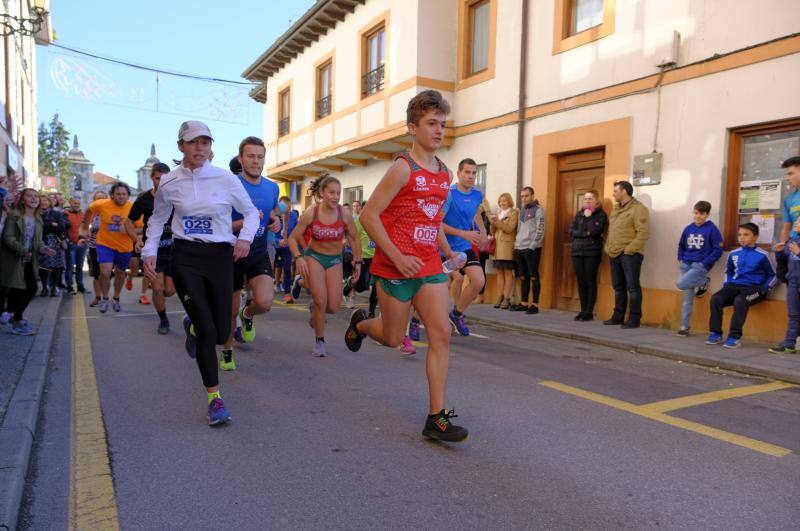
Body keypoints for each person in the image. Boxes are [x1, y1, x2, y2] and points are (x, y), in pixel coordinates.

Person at [343, 90, 468, 443]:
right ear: (412, 128)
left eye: (442, 124)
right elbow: (369, 216)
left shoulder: (444, 174)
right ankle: (362, 325)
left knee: (441, 333)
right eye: (432, 123)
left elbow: (433, 221)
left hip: (428, 266)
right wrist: (397, 257)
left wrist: (448, 256)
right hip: (395, 267)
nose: (440, 130)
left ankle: (436, 417)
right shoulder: (403, 168)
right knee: (394, 337)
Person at [142, 120, 258, 426]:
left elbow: (249, 214)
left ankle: (191, 326)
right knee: (209, 332)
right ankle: (215, 400)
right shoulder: (169, 182)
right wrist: (149, 251)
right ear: (181, 146)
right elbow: (157, 220)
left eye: (205, 143)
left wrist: (245, 238)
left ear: (211, 147)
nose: (199, 148)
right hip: (186, 256)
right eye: (193, 142)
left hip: (220, 256)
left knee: (222, 332)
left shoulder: (225, 179)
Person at [219, 136, 280, 370]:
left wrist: (274, 221)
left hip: (258, 251)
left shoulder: (271, 187)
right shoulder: (228, 184)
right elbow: (218, 223)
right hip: (231, 253)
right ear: (240, 158)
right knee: (229, 309)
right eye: (251, 156)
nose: (256, 161)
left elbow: (272, 211)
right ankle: (226, 350)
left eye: (260, 157)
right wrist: (246, 222)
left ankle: (248, 314)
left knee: (264, 302)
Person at [288, 173, 361, 357]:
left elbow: (354, 237)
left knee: (333, 307)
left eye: (338, 193)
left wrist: (357, 261)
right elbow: (292, 237)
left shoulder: (343, 214)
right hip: (315, 258)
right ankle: (319, 340)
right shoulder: (311, 212)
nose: (336, 197)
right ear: (322, 193)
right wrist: (299, 257)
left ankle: (311, 301)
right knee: (321, 300)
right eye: (331, 192)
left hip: (335, 260)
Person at [706, 222, 776, 349]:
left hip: (754, 289)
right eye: (740, 235)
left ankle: (734, 337)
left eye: (746, 235)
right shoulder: (733, 253)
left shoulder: (763, 255)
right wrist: (727, 283)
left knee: (740, 301)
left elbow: (773, 274)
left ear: (755, 237)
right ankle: (715, 333)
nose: (742, 238)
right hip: (734, 286)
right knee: (716, 299)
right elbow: (728, 271)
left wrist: (766, 288)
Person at [125, 162, 175, 334]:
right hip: (154, 252)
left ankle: (162, 302)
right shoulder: (143, 200)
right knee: (158, 288)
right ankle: (163, 320)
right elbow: (128, 222)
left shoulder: (178, 197)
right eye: (158, 178)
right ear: (152, 178)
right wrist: (136, 240)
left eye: (165, 179)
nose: (162, 183)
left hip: (174, 251)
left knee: (169, 291)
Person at [441, 158, 486, 336]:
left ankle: (457, 314)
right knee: (440, 287)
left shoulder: (477, 195)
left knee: (478, 281)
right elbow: (438, 225)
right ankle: (414, 320)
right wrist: (464, 233)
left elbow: (476, 212)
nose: (471, 176)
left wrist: (482, 231)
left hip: (463, 246)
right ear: (459, 174)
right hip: (442, 247)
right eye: (467, 172)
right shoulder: (449, 194)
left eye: (474, 173)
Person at [0, 189, 54, 334]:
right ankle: (17, 322)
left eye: (36, 196)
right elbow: (8, 237)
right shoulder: (14, 216)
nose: (34, 199)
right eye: (29, 196)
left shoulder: (38, 219)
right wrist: (22, 249)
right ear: (23, 200)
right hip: (15, 259)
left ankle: (12, 315)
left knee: (31, 288)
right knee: (19, 289)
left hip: (30, 259)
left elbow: (37, 241)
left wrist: (45, 249)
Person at [81, 182, 136, 313]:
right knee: (105, 272)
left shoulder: (133, 208)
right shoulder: (102, 204)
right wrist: (84, 227)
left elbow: (141, 227)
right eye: (118, 194)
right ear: (112, 195)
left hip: (124, 246)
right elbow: (88, 210)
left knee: (120, 273)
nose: (121, 197)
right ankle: (105, 299)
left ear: (128, 196)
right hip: (105, 244)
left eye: (124, 194)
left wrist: (128, 229)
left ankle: (116, 298)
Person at [603, 180, 650, 329]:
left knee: (633, 287)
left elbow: (643, 233)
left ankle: (634, 319)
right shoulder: (616, 209)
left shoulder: (639, 209)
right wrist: (608, 247)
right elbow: (613, 231)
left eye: (616, 191)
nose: (613, 194)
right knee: (618, 287)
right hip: (614, 253)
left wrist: (629, 250)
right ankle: (618, 316)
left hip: (629, 255)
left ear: (624, 191)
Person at [675, 200, 724, 336]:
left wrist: (705, 263)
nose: (698, 216)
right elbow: (681, 244)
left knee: (680, 284)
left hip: (699, 265)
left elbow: (718, 250)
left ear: (707, 215)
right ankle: (684, 327)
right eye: (696, 213)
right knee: (687, 299)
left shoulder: (712, 229)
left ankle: (704, 281)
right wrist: (680, 258)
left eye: (702, 214)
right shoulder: (688, 228)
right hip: (686, 264)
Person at [570, 189, 608, 321]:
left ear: (597, 201)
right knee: (581, 281)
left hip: (592, 251)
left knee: (590, 281)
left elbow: (595, 230)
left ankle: (589, 312)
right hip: (577, 251)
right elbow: (572, 231)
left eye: (590, 199)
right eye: (585, 199)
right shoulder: (579, 213)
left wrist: (589, 217)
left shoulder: (600, 214)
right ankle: (582, 310)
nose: (587, 201)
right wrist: (584, 234)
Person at [512, 186, 545, 314]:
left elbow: (541, 229)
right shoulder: (521, 211)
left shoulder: (538, 210)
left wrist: (533, 245)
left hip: (532, 249)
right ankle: (524, 303)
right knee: (523, 277)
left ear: (532, 196)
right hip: (519, 248)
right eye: (522, 196)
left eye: (526, 196)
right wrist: (516, 244)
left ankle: (535, 305)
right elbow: (519, 229)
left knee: (533, 277)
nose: (524, 198)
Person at [770, 218, 800, 355]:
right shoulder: (792, 241)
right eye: (797, 221)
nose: (796, 223)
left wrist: (799, 253)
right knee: (794, 315)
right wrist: (780, 252)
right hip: (793, 283)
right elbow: (784, 263)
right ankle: (789, 343)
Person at [487, 193, 518, 309]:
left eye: (504, 201)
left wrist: (497, 222)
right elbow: (494, 232)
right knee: (499, 273)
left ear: (509, 201)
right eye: (500, 201)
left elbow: (509, 229)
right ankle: (499, 296)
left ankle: (507, 297)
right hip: (498, 247)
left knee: (508, 272)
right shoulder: (499, 214)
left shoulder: (514, 212)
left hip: (507, 246)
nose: (501, 203)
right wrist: (492, 223)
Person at [39, 194, 67, 297]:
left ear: (50, 202)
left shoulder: (57, 213)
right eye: (41, 200)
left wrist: (48, 225)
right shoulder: (36, 214)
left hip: (56, 242)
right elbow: (39, 228)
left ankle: (54, 287)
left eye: (45, 200)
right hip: (42, 241)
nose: (43, 202)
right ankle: (44, 287)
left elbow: (61, 227)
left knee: (56, 266)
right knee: (43, 266)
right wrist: (51, 224)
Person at [85, 190, 108, 307]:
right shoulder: (91, 214)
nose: (100, 201)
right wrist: (84, 235)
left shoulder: (109, 213)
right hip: (94, 246)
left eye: (103, 198)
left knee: (105, 274)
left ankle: (106, 297)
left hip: (108, 247)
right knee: (96, 274)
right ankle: (98, 297)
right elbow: (84, 228)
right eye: (98, 198)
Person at [63, 197, 88, 294]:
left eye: (78, 203)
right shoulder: (65, 214)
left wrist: (86, 238)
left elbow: (85, 227)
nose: (76, 205)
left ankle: (80, 286)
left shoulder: (83, 214)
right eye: (74, 203)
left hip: (82, 244)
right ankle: (69, 287)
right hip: (71, 244)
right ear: (70, 203)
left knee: (80, 266)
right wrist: (66, 240)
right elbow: (63, 228)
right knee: (69, 267)